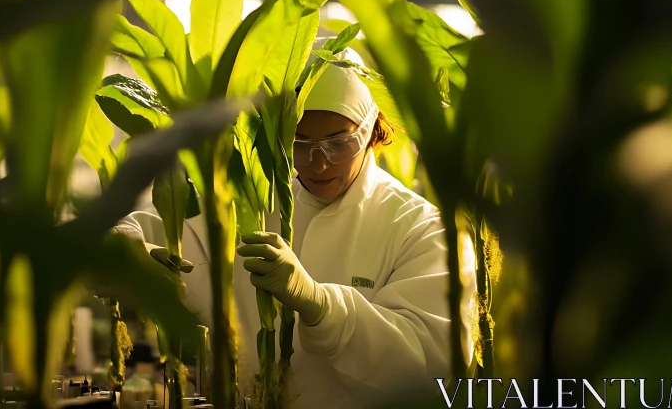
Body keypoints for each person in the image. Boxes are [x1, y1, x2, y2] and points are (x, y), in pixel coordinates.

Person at [114, 39, 477, 408]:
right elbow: (138, 232)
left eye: (338, 144)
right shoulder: (252, 204)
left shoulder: (421, 229)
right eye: (299, 143)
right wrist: (121, 245)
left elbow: (432, 370)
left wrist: (321, 304)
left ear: (370, 131)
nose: (318, 164)